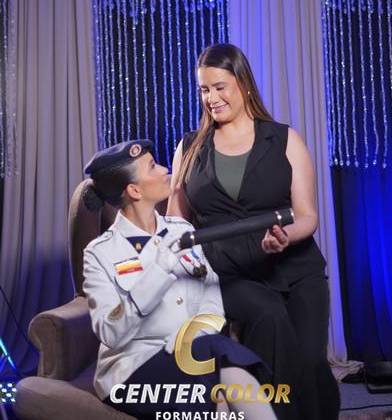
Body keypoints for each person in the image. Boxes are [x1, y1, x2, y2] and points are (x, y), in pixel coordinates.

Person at [167, 43, 340, 420]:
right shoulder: (190, 148)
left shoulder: (285, 139)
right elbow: (175, 224)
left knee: (309, 363)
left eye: (219, 87)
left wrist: (286, 236)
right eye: (204, 89)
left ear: (243, 85)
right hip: (229, 274)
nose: (211, 98)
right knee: (271, 342)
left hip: (295, 270)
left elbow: (307, 215)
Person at [82, 138, 277, 419]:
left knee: (214, 383)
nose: (165, 170)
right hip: (132, 371)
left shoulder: (182, 230)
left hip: (192, 354)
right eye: (153, 166)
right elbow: (109, 332)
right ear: (135, 190)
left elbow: (210, 293)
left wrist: (193, 336)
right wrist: (158, 273)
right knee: (216, 370)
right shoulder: (100, 253)